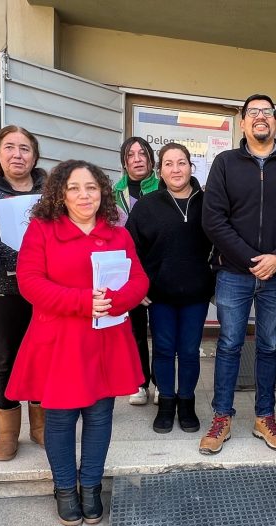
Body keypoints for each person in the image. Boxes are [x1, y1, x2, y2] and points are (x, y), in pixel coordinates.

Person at [6, 160, 148, 526]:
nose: (84, 195)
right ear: (60, 194)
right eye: (74, 188)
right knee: (61, 417)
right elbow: (30, 281)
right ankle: (65, 488)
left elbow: (139, 279)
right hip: (61, 339)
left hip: (106, 337)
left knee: (100, 416)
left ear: (103, 191)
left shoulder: (117, 232)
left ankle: (91, 485)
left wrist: (117, 301)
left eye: (91, 187)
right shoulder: (42, 229)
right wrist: (83, 302)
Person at [200, 93, 276, 454]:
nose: (261, 117)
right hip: (234, 273)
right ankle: (222, 417)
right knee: (230, 344)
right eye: (254, 113)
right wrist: (253, 259)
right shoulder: (224, 163)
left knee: (268, 346)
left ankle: (264, 417)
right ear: (243, 122)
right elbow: (213, 220)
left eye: (267, 112)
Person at [127, 142, 214, 435]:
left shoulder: (209, 203)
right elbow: (131, 250)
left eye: (181, 163)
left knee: (189, 350)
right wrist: (138, 287)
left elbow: (222, 243)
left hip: (196, 294)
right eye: (168, 164)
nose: (176, 169)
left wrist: (213, 278)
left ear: (191, 167)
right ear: (159, 171)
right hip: (159, 295)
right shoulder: (147, 206)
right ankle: (166, 401)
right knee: (163, 349)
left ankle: (186, 402)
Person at [0, 125, 48, 461]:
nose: (17, 154)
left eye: (24, 148)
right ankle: (8, 431)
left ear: (35, 156)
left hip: (47, 287)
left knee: (43, 355)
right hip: (5, 287)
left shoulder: (51, 189)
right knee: (7, 356)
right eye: (10, 147)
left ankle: (40, 423)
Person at [114, 136, 160, 406]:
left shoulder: (163, 186)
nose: (137, 159)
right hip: (128, 272)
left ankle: (161, 382)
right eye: (131, 155)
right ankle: (141, 383)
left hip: (160, 270)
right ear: (124, 161)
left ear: (151, 159)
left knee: (163, 331)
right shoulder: (113, 192)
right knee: (135, 331)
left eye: (142, 153)